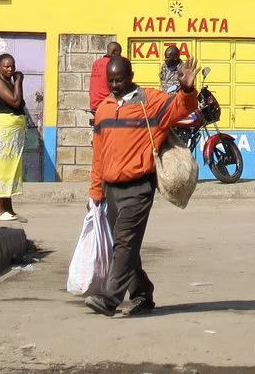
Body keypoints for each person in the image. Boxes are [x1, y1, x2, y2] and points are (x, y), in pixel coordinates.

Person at [86, 53, 205, 317]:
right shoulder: (104, 108)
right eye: (110, 81)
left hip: (138, 188)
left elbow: (181, 109)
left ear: (130, 77)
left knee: (125, 242)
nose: (115, 86)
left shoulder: (149, 102)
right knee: (125, 244)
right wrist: (95, 191)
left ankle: (109, 298)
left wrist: (186, 89)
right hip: (111, 189)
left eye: (119, 80)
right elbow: (98, 154)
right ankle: (142, 294)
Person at [0, 52, 30, 222]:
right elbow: (15, 101)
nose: (11, 69)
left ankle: (9, 209)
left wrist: (15, 82)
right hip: (4, 127)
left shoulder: (9, 81)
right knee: (2, 167)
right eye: (7, 66)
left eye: (13, 66)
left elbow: (20, 101)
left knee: (11, 168)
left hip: (15, 127)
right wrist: (19, 81)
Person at [88, 38, 124, 118]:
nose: (120, 56)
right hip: (107, 105)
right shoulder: (113, 65)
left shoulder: (96, 63)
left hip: (94, 105)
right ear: (114, 52)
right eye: (119, 53)